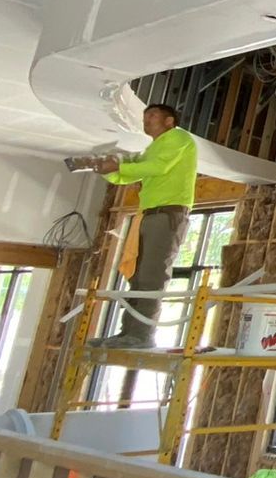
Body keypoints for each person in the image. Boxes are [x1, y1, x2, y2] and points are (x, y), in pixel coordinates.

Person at [81, 103, 199, 349]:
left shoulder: (178, 138)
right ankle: (128, 333)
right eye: (145, 117)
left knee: (152, 276)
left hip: (168, 213)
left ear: (169, 121)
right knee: (137, 276)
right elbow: (131, 173)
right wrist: (108, 171)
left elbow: (158, 167)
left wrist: (119, 166)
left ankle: (142, 336)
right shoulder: (154, 148)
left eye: (152, 116)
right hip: (150, 214)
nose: (146, 120)